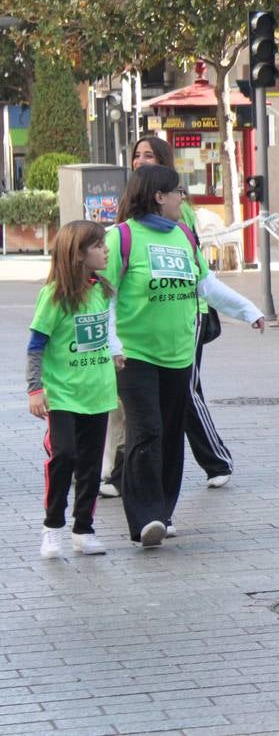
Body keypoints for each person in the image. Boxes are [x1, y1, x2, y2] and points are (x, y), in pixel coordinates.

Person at [106, 166, 265, 546]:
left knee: (171, 434)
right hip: (135, 355)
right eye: (179, 192)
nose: (184, 199)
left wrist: (250, 311)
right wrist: (113, 344)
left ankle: (163, 511)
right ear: (159, 196)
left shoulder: (183, 236)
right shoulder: (121, 238)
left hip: (178, 355)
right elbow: (105, 296)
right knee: (146, 431)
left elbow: (206, 285)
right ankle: (144, 518)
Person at [101, 136, 234, 496]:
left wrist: (242, 310)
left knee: (184, 396)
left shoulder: (176, 210)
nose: (140, 160)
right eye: (137, 155)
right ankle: (120, 472)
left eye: (149, 155)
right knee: (134, 405)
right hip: (139, 327)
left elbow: (198, 274)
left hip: (186, 316)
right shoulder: (127, 218)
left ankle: (216, 460)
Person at [28, 221, 120, 559]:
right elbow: (36, 344)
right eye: (98, 246)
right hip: (63, 393)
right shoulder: (53, 296)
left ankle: (83, 529)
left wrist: (114, 353)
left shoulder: (103, 289)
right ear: (78, 254)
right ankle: (52, 528)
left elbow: (105, 330)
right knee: (64, 455)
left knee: (92, 465)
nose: (106, 250)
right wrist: (35, 389)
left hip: (98, 391)